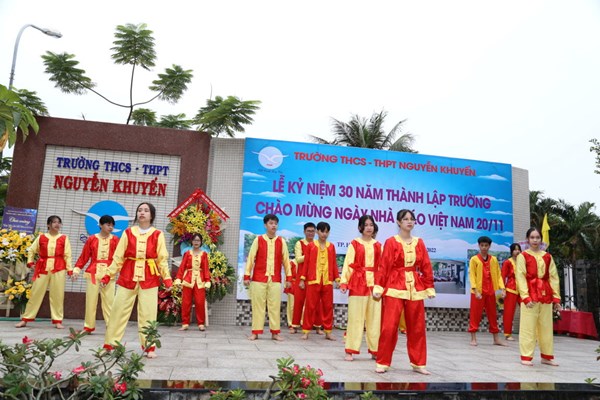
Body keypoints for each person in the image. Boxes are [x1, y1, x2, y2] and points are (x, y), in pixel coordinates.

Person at [101, 202, 173, 358]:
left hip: (149, 277)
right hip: (128, 275)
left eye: (146, 210)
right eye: (140, 210)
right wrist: (108, 275)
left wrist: (167, 279)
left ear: (151, 215)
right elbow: (118, 257)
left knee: (148, 313)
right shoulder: (128, 232)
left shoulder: (157, 234)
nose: (142, 213)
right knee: (118, 310)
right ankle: (109, 344)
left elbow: (162, 259)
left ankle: (149, 347)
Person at [374, 209, 435, 375]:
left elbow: (426, 265)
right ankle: (383, 361)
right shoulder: (391, 242)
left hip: (414, 288)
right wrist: (379, 287)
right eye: (406, 219)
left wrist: (429, 286)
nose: (409, 221)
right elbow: (384, 266)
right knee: (389, 327)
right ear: (398, 222)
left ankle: (418, 363)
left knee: (417, 327)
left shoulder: (419, 242)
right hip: (395, 286)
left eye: (412, 219)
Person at [515, 227, 561, 366]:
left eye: (537, 237)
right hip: (530, 295)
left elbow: (553, 277)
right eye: (532, 237)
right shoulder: (523, 256)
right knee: (528, 327)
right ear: (527, 239)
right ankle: (526, 356)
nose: (535, 240)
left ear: (541, 239)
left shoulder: (547, 256)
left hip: (545, 295)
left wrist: (556, 298)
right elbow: (520, 277)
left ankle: (547, 356)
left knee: (546, 327)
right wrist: (525, 296)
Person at [16, 215, 72, 329]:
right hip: (42, 268)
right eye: (54, 222)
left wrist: (70, 269)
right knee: (35, 293)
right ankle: (25, 319)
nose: (57, 224)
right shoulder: (41, 237)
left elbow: (68, 255)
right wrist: (30, 263)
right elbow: (31, 250)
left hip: (59, 268)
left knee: (58, 295)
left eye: (59, 222)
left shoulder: (64, 238)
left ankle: (57, 320)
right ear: (48, 225)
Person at [243, 214, 292, 341]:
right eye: (271, 223)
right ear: (265, 225)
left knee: (274, 306)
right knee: (258, 306)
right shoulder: (258, 240)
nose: (273, 226)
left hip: (275, 279)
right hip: (259, 279)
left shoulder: (281, 241)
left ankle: (275, 333)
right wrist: (247, 276)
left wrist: (289, 278)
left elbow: (286, 261)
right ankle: (255, 332)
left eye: (275, 223)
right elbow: (251, 258)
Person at [340, 215, 382, 361]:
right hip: (358, 283)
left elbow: (382, 267)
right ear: (360, 227)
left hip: (374, 286)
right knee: (355, 319)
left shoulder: (378, 245)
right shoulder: (355, 244)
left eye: (371, 225)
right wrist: (344, 282)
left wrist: (382, 285)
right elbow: (348, 263)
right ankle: (350, 350)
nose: (369, 227)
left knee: (375, 320)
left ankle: (375, 350)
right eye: (366, 225)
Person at [72, 215, 120, 333]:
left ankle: (111, 326)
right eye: (108, 225)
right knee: (91, 301)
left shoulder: (115, 240)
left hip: (109, 274)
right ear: (101, 225)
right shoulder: (92, 239)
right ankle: (88, 327)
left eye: (112, 225)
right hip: (93, 273)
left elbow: (119, 258)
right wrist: (76, 270)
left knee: (109, 302)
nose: (111, 227)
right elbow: (84, 256)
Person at [299, 221, 339, 340]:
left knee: (328, 307)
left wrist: (337, 279)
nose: (324, 234)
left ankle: (328, 331)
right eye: (322, 231)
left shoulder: (331, 247)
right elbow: (306, 263)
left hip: (327, 281)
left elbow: (334, 264)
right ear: (317, 232)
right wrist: (302, 279)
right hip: (313, 280)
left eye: (326, 232)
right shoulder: (311, 246)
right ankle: (306, 331)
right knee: (310, 306)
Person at [468, 236, 506, 346]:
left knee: (493, 315)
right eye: (482, 245)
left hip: (491, 291)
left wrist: (502, 289)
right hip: (478, 292)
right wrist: (475, 290)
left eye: (486, 245)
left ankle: (496, 339)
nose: (484, 247)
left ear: (489, 246)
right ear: (479, 246)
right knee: (475, 314)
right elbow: (472, 276)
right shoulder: (474, 259)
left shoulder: (494, 260)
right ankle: (473, 338)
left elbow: (498, 275)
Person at [174, 233, 211, 331]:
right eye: (194, 240)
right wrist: (179, 279)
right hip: (188, 280)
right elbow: (182, 267)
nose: (196, 242)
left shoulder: (204, 254)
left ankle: (201, 323)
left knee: (200, 302)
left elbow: (206, 269)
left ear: (201, 242)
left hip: (200, 281)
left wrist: (207, 280)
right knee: (186, 302)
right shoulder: (187, 253)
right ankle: (185, 323)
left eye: (198, 240)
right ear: (192, 241)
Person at [290, 222, 319, 333]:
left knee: (316, 302)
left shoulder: (318, 244)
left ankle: (317, 326)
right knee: (299, 301)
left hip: (314, 276)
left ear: (316, 232)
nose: (310, 233)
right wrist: (311, 255)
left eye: (312, 231)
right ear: (304, 232)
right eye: (308, 231)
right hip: (301, 276)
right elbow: (298, 259)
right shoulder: (300, 243)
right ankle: (295, 325)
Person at [501, 243, 522, 341]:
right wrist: (503, 290)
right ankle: (507, 334)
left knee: (528, 311)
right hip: (511, 289)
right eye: (515, 250)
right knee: (509, 312)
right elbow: (502, 276)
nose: (517, 251)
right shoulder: (507, 262)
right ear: (511, 251)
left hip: (522, 290)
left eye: (518, 249)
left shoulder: (523, 262)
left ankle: (530, 334)